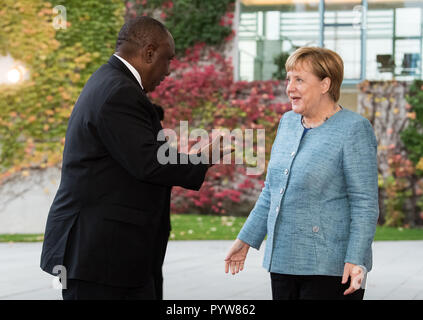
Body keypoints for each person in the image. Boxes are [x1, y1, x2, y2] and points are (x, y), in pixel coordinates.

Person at [40, 16, 229, 300]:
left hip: (107, 254)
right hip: (100, 256)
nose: (168, 71)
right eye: (168, 60)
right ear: (149, 52)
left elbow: (138, 156)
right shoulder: (120, 92)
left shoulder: (110, 81)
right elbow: (148, 163)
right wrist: (203, 158)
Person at [224, 47, 379, 300]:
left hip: (331, 268)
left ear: (325, 84)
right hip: (282, 262)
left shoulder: (354, 129)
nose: (289, 88)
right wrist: (245, 240)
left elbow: (365, 203)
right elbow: (271, 191)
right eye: (288, 79)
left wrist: (356, 259)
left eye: (299, 80)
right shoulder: (287, 123)